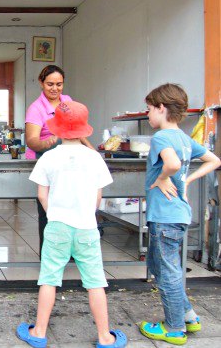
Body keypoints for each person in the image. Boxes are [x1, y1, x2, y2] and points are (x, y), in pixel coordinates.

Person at [17, 100, 127, 348]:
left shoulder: (48, 158)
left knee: (49, 279)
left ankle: (39, 333)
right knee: (95, 281)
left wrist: (54, 213)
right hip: (86, 226)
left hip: (57, 226)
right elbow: (98, 197)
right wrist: (86, 213)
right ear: (83, 129)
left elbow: (41, 195)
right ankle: (105, 337)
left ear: (55, 129)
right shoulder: (94, 158)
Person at [138, 84, 220, 345]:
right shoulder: (185, 139)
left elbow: (172, 164)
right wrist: (188, 181)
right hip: (178, 214)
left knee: (167, 272)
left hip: (164, 216)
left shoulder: (161, 137)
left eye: (149, 109)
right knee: (162, 268)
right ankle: (189, 316)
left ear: (161, 108)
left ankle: (174, 330)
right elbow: (215, 160)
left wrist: (164, 177)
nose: (148, 114)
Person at [25, 65, 94, 256]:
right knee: (48, 212)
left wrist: (91, 150)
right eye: (50, 84)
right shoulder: (36, 108)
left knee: (70, 206)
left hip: (69, 160)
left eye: (59, 84)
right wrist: (46, 143)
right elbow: (31, 140)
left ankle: (70, 253)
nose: (54, 89)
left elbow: (77, 129)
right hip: (46, 159)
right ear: (41, 83)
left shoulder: (67, 101)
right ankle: (49, 255)